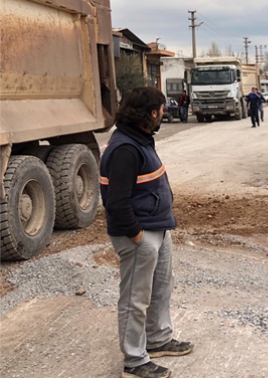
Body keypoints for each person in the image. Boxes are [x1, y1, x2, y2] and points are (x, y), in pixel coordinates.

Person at [99, 87, 193, 378]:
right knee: (135, 298)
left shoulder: (140, 139)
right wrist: (138, 236)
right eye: (162, 109)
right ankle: (135, 360)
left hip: (158, 228)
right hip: (140, 235)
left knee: (161, 288)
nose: (164, 113)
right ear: (151, 113)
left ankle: (158, 339)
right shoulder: (126, 148)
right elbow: (116, 201)